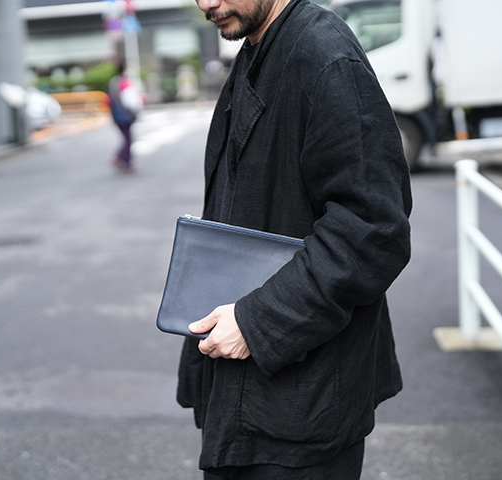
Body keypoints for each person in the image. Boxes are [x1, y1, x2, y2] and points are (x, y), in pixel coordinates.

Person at [176, 0, 413, 479]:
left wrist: (258, 321)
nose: (206, 3)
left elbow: (373, 227)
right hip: (258, 382)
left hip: (303, 398)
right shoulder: (260, 47)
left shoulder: (324, 56)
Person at [108, 61, 143, 172]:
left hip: (116, 115)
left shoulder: (113, 82)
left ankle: (120, 158)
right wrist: (134, 112)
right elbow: (130, 101)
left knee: (127, 139)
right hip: (125, 116)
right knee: (128, 140)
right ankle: (123, 160)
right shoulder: (124, 82)